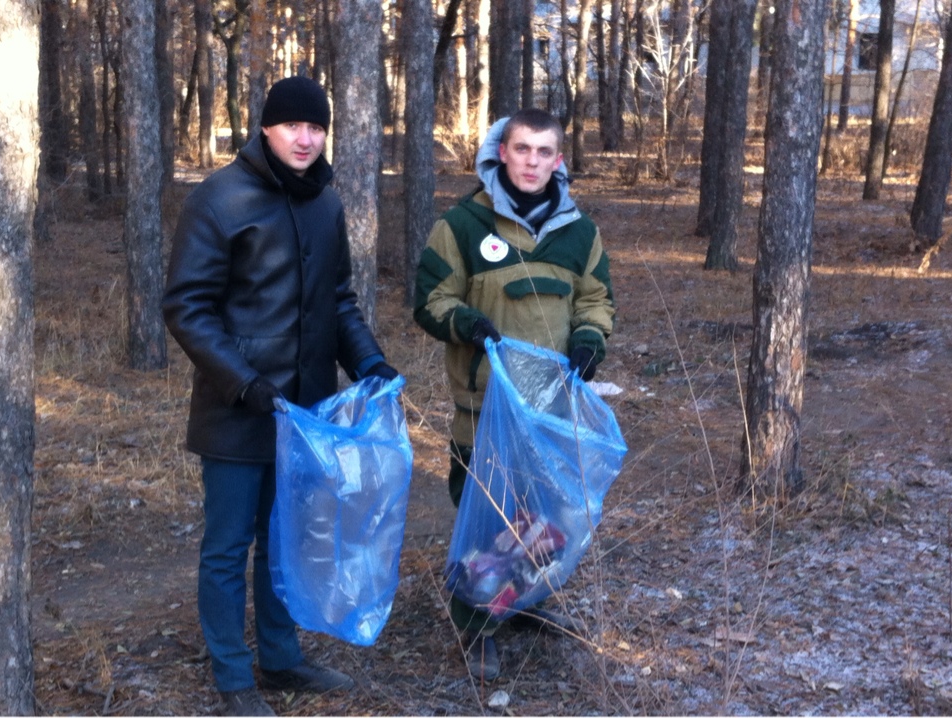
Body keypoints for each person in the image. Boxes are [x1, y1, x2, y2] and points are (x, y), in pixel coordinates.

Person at [163, 75, 398, 717]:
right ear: (265, 126)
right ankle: (233, 678)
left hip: (306, 415)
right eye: (294, 124)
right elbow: (186, 307)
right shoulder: (219, 198)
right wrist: (244, 383)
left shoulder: (326, 202)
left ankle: (280, 659)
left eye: (317, 127)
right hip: (235, 410)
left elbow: (339, 300)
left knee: (286, 538)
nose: (306, 137)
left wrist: (370, 363)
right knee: (228, 546)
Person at [413, 108, 616, 681]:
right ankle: (476, 629)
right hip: (483, 412)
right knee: (486, 519)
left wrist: (588, 339)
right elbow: (429, 298)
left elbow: (596, 300)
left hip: (551, 414)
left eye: (543, 152)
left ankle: (523, 604)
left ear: (559, 160)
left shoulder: (580, 232)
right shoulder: (462, 226)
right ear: (502, 153)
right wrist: (467, 324)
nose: (531, 162)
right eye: (521, 149)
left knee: (544, 518)